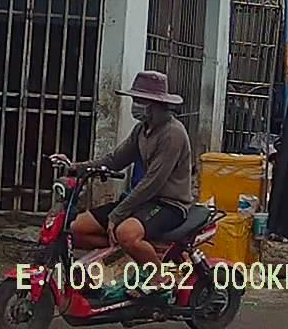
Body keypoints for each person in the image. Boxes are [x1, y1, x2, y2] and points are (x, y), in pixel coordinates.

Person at [53, 71, 192, 290]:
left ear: (155, 104)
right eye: (134, 100)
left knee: (126, 233)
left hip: (168, 204)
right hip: (143, 201)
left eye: (139, 101)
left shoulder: (173, 133)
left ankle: (162, 279)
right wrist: (75, 167)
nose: (135, 105)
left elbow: (153, 182)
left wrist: (117, 214)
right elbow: (115, 160)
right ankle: (131, 257)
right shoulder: (142, 130)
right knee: (74, 229)